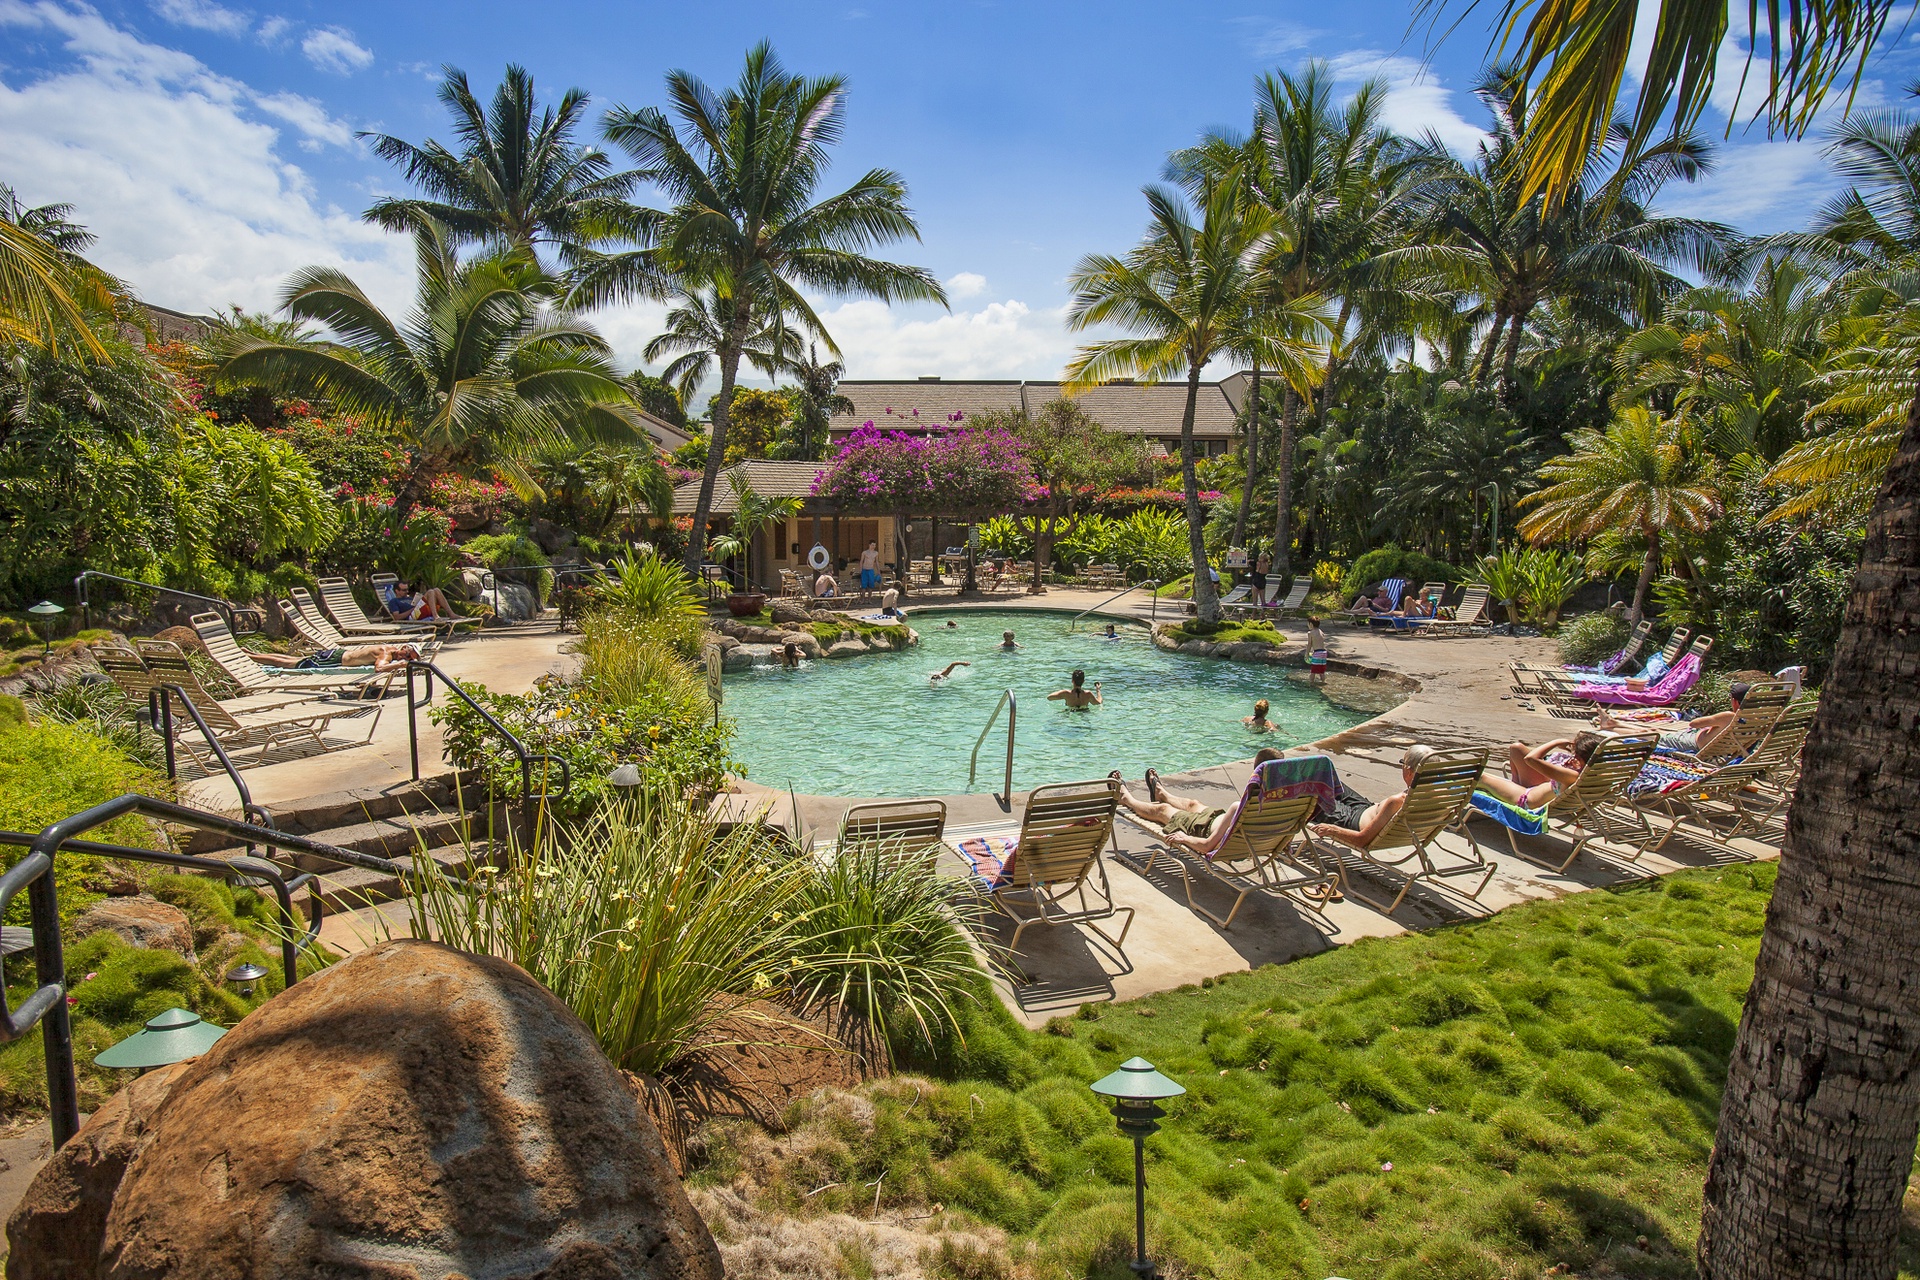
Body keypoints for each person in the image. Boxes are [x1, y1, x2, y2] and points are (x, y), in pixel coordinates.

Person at [1310, 745, 1435, 850]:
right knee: (1329, 780)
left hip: (1352, 821)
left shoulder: (1398, 801)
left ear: (1408, 771)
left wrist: (1332, 830)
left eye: (1402, 763)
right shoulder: (1440, 796)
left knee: (1311, 791)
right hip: (1366, 809)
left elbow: (1361, 840)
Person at [1595, 681, 1753, 754]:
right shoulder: (1756, 720)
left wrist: (1713, 722)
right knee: (1654, 729)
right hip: (1721, 749)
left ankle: (1610, 727)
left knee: (1651, 735)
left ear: (1734, 701)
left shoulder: (1729, 717)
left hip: (1691, 743)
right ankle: (1613, 723)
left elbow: (1694, 723)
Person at [1476, 731, 1608, 809]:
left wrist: (1556, 742)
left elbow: (1530, 759)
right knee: (1516, 749)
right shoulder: (1601, 774)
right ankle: (1512, 784)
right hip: (1538, 793)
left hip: (1526, 799)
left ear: (1580, 758)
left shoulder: (1572, 775)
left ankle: (1456, 797)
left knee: (1480, 777)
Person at [254, 641, 421, 674]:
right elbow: (379, 668)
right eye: (407, 655)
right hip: (334, 660)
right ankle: (252, 657)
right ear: (404, 648)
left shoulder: (390, 647)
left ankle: (253, 655)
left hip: (337, 654)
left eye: (409, 659)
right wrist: (399, 666)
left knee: (291, 660)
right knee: (287, 664)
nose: (405, 658)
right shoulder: (386, 654)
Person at [387, 580, 454, 620]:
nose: (407, 591)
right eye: (404, 590)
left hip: (422, 611)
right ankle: (435, 616)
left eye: (407, 589)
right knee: (430, 591)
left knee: (436, 590)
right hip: (412, 616)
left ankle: (451, 614)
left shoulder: (409, 598)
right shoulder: (394, 601)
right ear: (397, 591)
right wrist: (412, 609)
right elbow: (397, 617)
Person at [1305, 617, 1328, 685]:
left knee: (1313, 671)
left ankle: (1311, 683)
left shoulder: (1310, 633)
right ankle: (1323, 682)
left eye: (1308, 624)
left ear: (1311, 624)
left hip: (1317, 653)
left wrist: (1307, 653)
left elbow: (1309, 644)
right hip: (1324, 652)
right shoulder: (1321, 631)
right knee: (1321, 671)